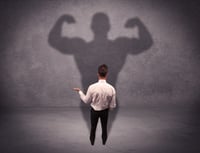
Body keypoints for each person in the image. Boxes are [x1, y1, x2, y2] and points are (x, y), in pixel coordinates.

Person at [73, 64, 116, 145]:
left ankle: (92, 143)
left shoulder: (92, 87)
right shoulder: (111, 88)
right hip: (105, 112)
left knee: (93, 128)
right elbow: (113, 106)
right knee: (104, 128)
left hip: (94, 111)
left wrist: (79, 92)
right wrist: (108, 107)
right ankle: (104, 144)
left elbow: (86, 101)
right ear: (107, 74)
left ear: (98, 74)